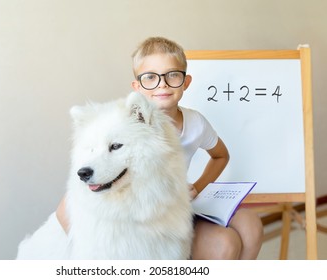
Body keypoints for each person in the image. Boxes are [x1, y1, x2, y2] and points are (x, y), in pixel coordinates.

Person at [57, 36, 263, 259]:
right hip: (157, 216)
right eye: (150, 77)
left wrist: (199, 186)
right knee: (226, 242)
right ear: (137, 86)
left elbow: (220, 155)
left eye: (172, 74)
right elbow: (69, 206)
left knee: (251, 225)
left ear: (186, 81)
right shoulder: (123, 125)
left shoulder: (195, 123)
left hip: (183, 202)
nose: (162, 84)